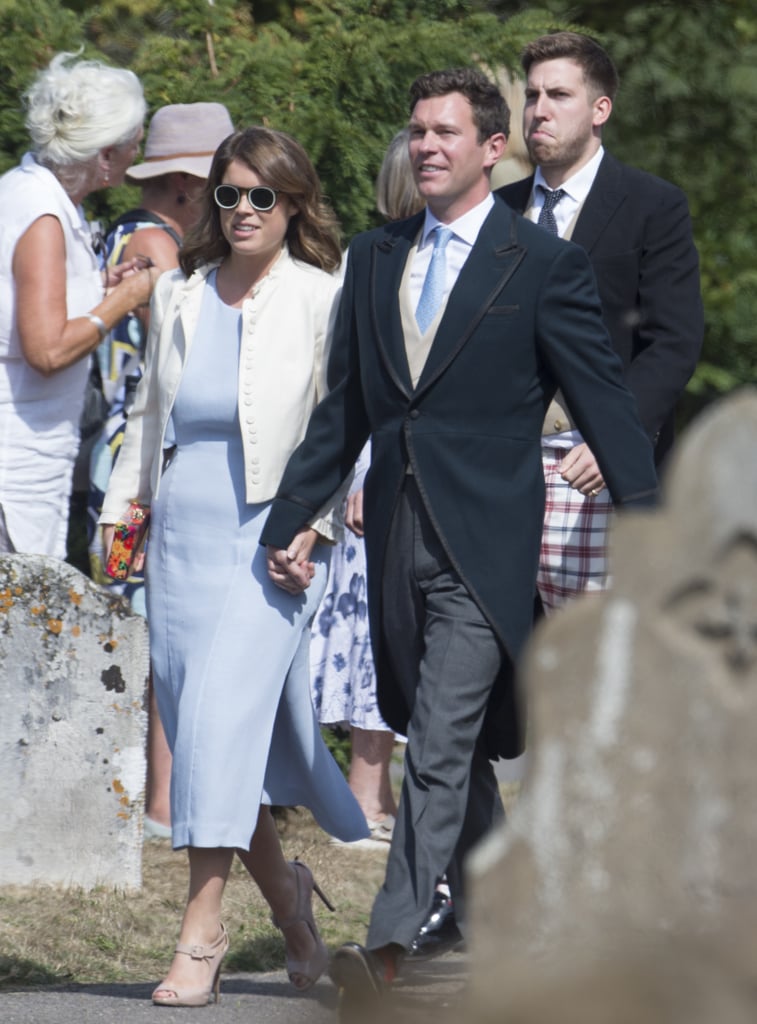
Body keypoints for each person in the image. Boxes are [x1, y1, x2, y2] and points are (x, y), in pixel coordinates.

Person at [261, 66, 658, 1009]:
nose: (427, 146)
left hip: (487, 546)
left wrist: (653, 531)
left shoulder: (543, 264)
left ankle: (388, 947)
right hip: (394, 539)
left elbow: (603, 402)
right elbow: (346, 409)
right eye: (418, 133)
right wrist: (294, 520)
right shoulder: (374, 255)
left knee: (433, 744)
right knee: (460, 744)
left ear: (493, 148)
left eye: (447, 132)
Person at [100, 125, 368, 1007]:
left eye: (264, 195)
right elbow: (149, 413)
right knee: (218, 743)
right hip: (180, 539)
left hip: (272, 543)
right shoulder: (177, 292)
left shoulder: (323, 296)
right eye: (230, 194)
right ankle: (292, 910)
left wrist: (315, 529)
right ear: (212, 202)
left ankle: (201, 934)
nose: (245, 210)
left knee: (215, 730)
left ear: (294, 204)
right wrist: (118, 510)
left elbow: (344, 423)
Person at [497, 31, 703, 612]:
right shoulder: (497, 212)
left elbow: (674, 340)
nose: (539, 110)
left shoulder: (652, 205)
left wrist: (617, 435)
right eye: (532, 95)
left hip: (599, 473)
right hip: (501, 473)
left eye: (558, 95)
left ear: (600, 109)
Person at [87, 101, 235, 840]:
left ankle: (151, 798)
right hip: (134, 459)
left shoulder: (136, 235)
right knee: (151, 622)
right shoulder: (153, 238)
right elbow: (196, 335)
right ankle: (158, 803)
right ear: (187, 183)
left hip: (125, 452)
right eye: (223, 182)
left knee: (143, 618)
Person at [310, 129, 424, 849]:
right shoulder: (383, 260)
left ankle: (374, 791)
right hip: (379, 462)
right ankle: (362, 795)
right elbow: (368, 382)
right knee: (371, 623)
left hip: (403, 460)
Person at [0, 52, 157, 558]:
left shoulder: (25, 192)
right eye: (135, 141)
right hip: (16, 468)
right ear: (105, 154)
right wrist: (125, 299)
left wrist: (100, 286)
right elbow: (45, 350)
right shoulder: (43, 215)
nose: (139, 152)